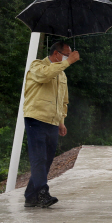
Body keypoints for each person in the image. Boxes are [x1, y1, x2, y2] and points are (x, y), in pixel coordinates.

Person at [23, 41, 80, 207]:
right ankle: (42, 193)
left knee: (46, 159)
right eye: (66, 54)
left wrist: (61, 121)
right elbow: (45, 75)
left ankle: (30, 196)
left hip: (53, 122)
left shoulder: (62, 74)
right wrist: (68, 62)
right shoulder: (37, 65)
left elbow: (63, 101)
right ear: (56, 54)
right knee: (38, 157)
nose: (69, 58)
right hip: (36, 118)